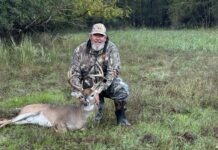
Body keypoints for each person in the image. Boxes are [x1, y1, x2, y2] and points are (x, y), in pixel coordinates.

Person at [68, 23, 131, 126]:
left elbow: (113, 72)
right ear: (90, 36)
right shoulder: (80, 49)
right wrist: (80, 91)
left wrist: (98, 90)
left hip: (106, 85)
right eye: (95, 35)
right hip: (88, 88)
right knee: (93, 122)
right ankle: (90, 113)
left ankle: (121, 117)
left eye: (101, 36)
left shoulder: (111, 48)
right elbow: (74, 74)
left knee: (122, 88)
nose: (98, 38)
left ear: (105, 37)